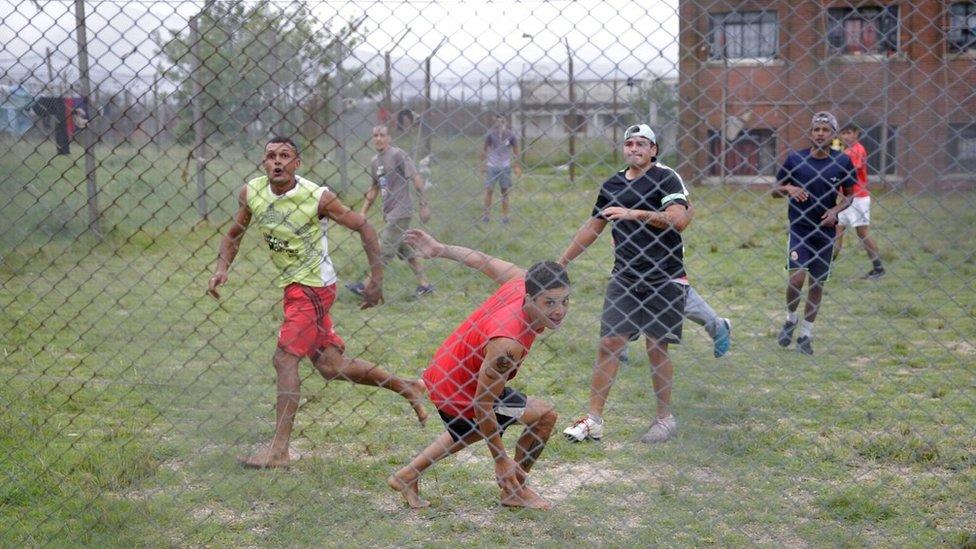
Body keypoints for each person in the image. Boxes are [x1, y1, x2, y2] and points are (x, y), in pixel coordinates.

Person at [208, 136, 428, 468]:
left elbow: (364, 227)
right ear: (263, 162)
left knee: (284, 360)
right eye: (271, 156)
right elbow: (234, 234)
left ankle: (279, 451)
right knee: (330, 366)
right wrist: (222, 268)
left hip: (312, 288)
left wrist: (376, 279)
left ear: (297, 163)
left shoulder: (317, 197)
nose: (277, 162)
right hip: (295, 288)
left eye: (285, 156)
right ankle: (406, 386)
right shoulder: (252, 192)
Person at [388, 229, 568, 510]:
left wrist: (441, 249)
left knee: (470, 428)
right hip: (460, 390)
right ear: (531, 298)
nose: (559, 311)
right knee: (544, 416)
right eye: (550, 303)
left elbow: (481, 260)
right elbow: (483, 403)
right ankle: (514, 488)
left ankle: (407, 474)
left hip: (446, 372)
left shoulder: (521, 281)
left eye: (564, 301)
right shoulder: (508, 344)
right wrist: (501, 460)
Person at [559, 123, 694, 445]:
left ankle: (664, 418)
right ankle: (593, 420)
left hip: (665, 277)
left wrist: (634, 213)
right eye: (629, 144)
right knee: (609, 344)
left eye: (641, 144)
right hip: (625, 277)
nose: (634, 149)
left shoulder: (666, 178)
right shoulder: (612, 184)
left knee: (656, 347)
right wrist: (561, 263)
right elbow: (592, 228)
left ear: (653, 150)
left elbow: (678, 220)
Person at [772, 112, 855, 356]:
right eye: (816, 129)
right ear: (810, 133)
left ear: (834, 135)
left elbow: (849, 195)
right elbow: (775, 190)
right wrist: (789, 187)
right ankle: (790, 319)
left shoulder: (842, 162)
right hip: (800, 229)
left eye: (825, 130)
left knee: (817, 284)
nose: (820, 133)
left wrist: (835, 210)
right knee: (796, 280)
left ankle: (806, 336)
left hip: (826, 233)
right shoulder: (795, 159)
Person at [346, 125, 434, 298]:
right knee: (406, 251)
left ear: (389, 138)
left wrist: (424, 205)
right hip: (389, 213)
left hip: (401, 212)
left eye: (382, 135)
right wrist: (362, 212)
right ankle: (425, 285)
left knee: (383, 249)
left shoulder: (397, 155)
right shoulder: (374, 161)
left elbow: (416, 178)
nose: (378, 138)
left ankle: (366, 285)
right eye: (375, 135)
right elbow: (374, 188)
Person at [833, 124, 885, 280]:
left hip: (858, 198)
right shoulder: (845, 151)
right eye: (843, 133)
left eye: (849, 132)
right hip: (844, 200)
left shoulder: (857, 150)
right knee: (836, 233)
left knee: (862, 233)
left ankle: (878, 268)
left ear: (857, 133)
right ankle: (825, 267)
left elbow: (849, 171)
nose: (846, 136)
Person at [481, 113, 522, 225]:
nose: (501, 123)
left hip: (505, 166)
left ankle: (504, 216)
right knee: (489, 190)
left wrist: (517, 165)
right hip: (492, 166)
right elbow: (484, 149)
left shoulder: (511, 135)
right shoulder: (490, 135)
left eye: (503, 121)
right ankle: (486, 215)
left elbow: (516, 150)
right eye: (498, 121)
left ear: (506, 122)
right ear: (495, 121)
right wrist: (482, 164)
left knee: (504, 192)